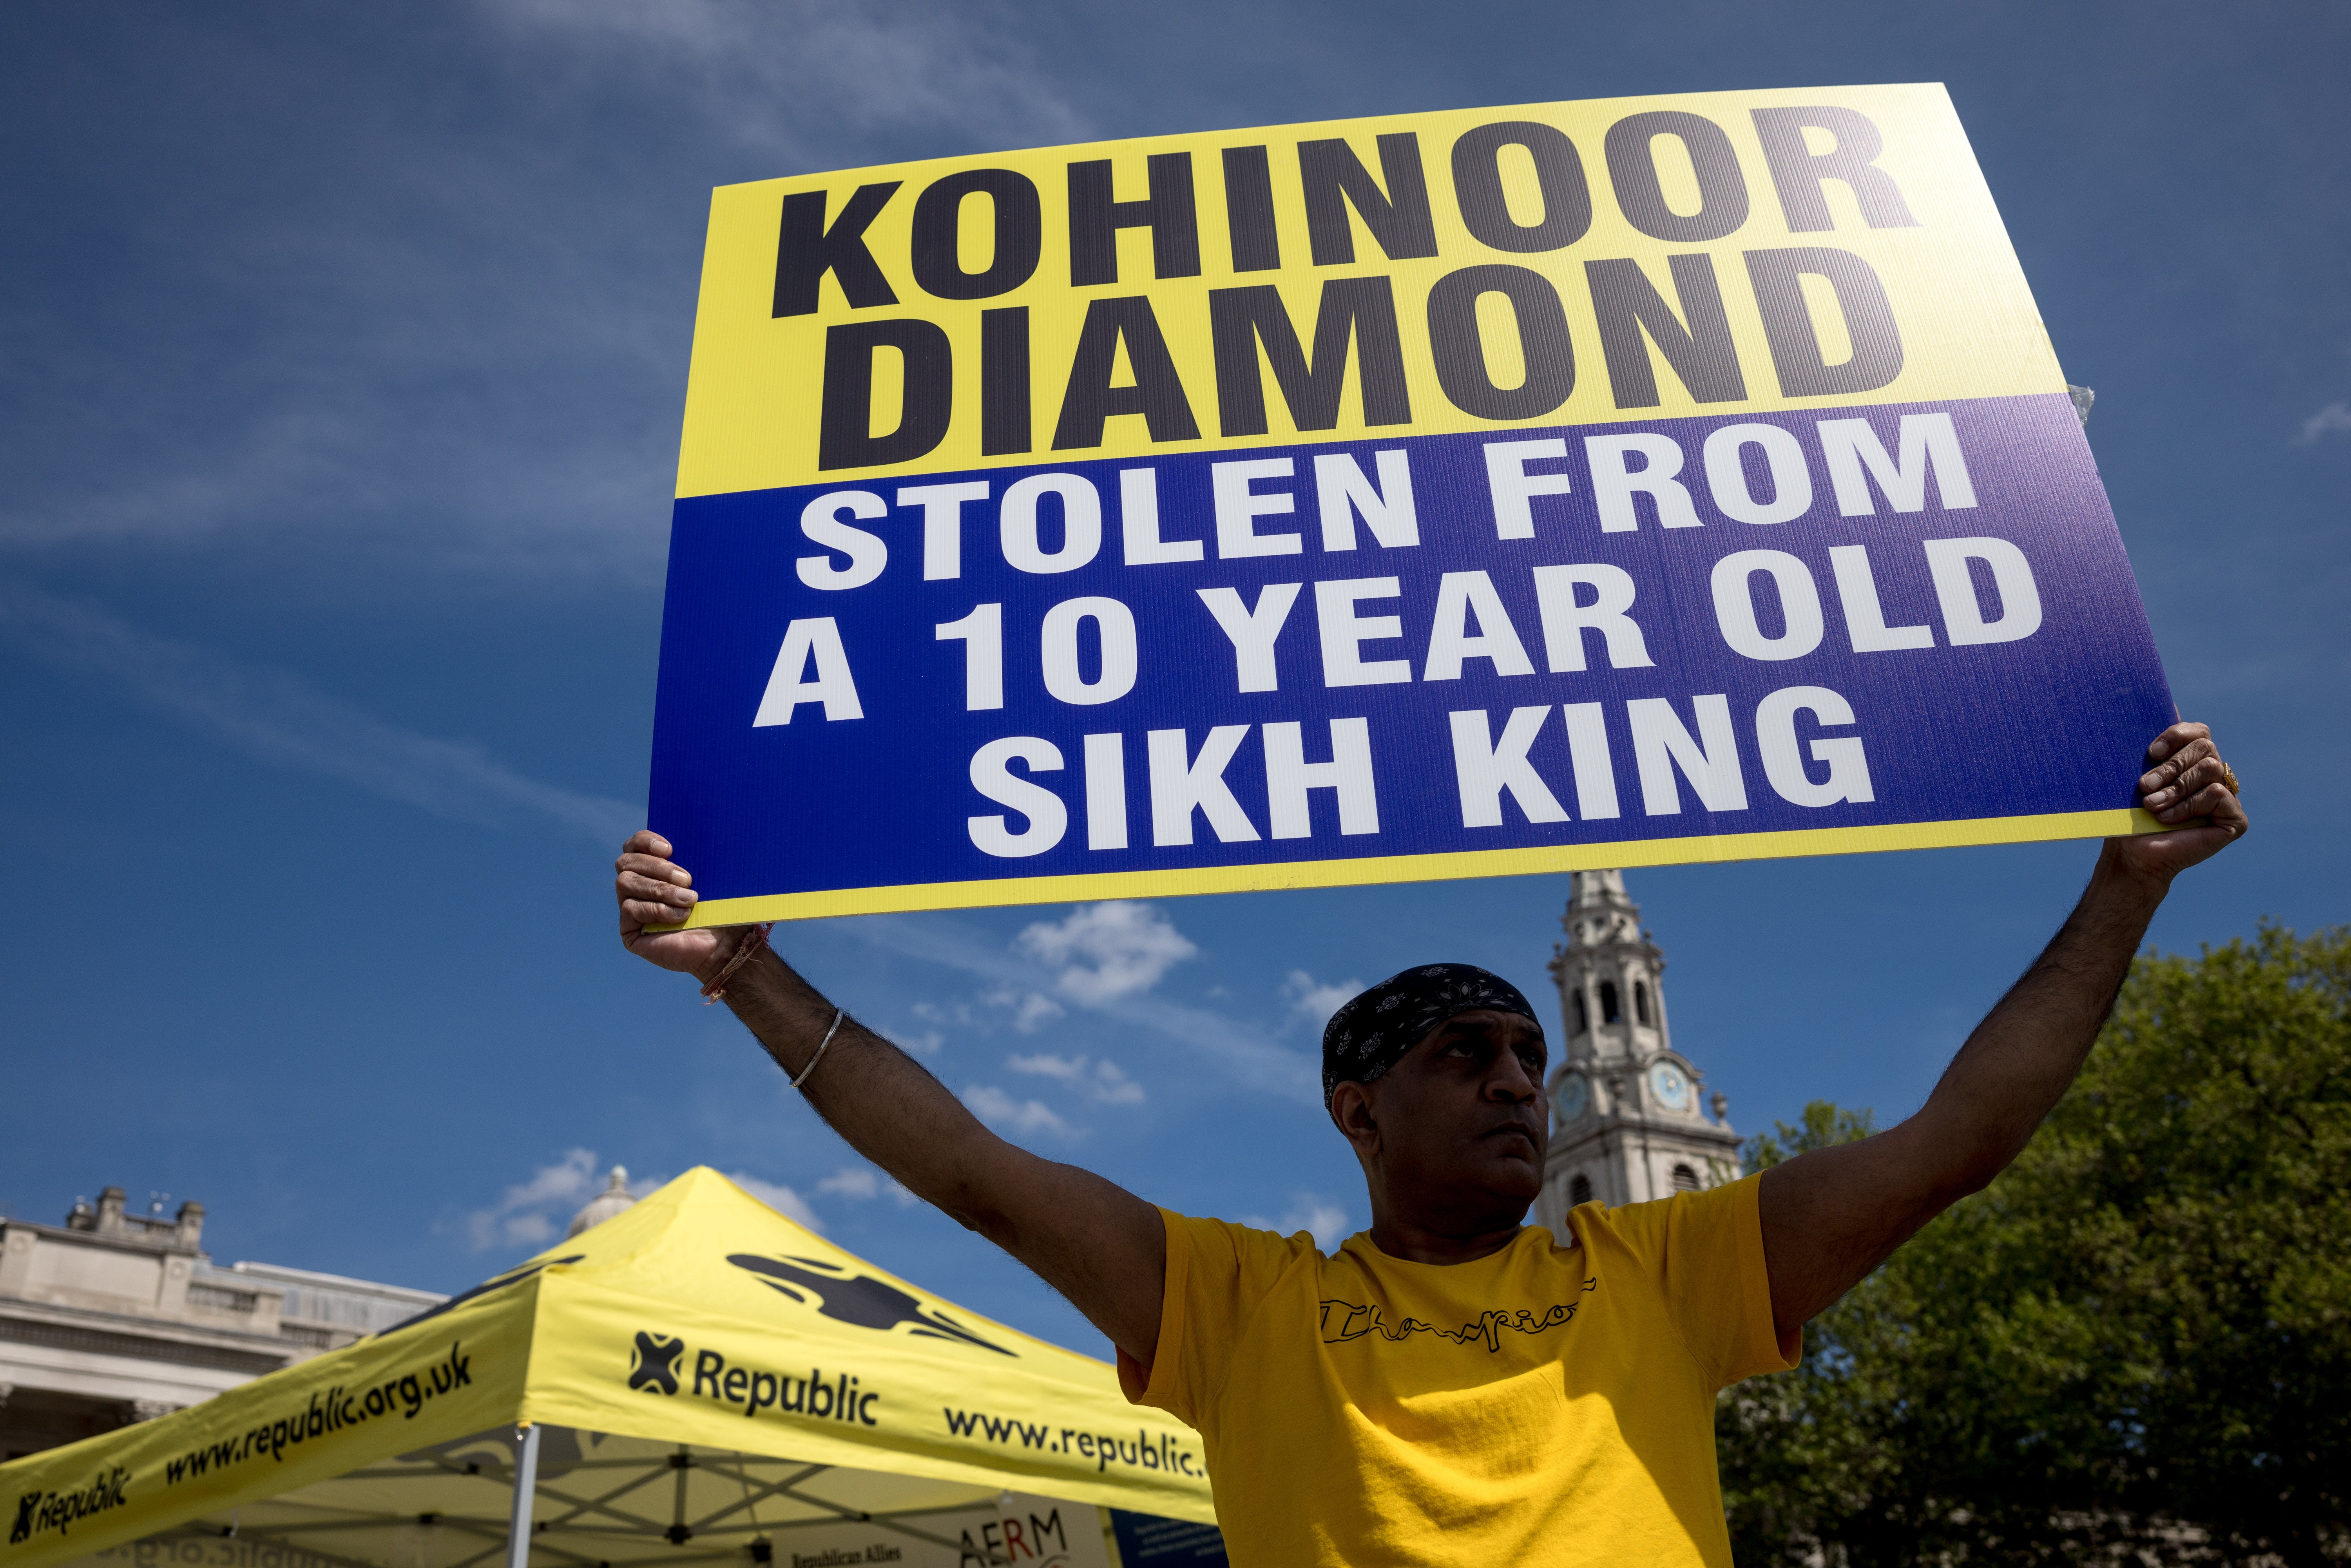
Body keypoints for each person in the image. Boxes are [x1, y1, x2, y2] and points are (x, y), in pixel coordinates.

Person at [612, 721, 2246, 1567]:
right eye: (1465, 1053)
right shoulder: (1241, 1306)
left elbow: (1960, 1140)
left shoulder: (1670, 1265)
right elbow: (971, 1170)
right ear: (1358, 1108)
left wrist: (2126, 884)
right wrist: (748, 969)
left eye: (1529, 1050)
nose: (1517, 1079)